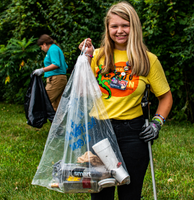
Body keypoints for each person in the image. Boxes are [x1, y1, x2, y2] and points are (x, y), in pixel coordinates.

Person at [79, 1, 173, 200]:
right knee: (100, 195)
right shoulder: (96, 56)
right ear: (108, 28)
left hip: (133, 134)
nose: (120, 31)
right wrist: (85, 61)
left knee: (130, 194)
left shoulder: (148, 60)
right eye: (114, 26)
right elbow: (81, 93)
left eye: (125, 25)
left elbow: (165, 97)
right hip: (99, 132)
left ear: (134, 27)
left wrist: (157, 123)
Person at [33, 34, 68, 111]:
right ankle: (58, 122)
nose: (42, 49)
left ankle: (37, 120)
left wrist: (42, 70)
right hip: (60, 78)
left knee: (45, 100)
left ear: (44, 44)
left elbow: (56, 64)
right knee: (57, 104)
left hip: (55, 79)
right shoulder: (55, 49)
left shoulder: (52, 49)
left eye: (41, 47)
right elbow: (65, 66)